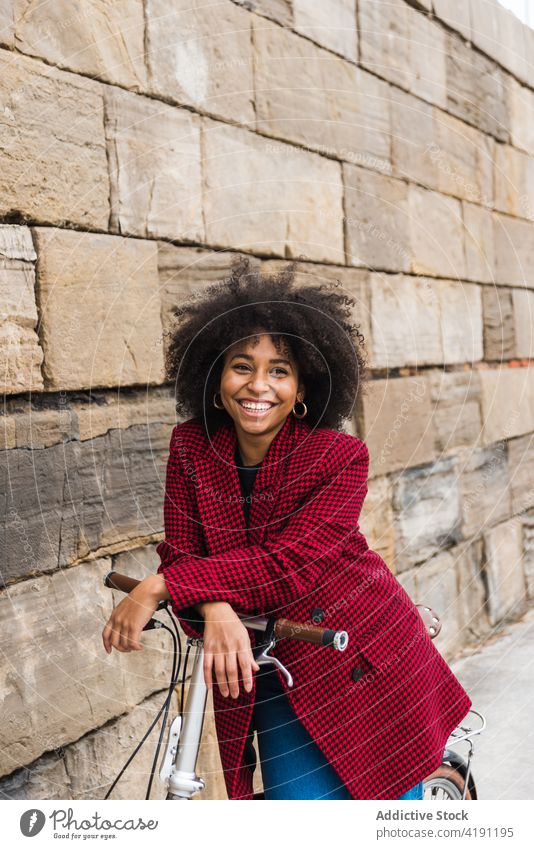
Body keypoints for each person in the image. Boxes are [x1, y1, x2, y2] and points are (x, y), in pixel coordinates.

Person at [102, 257, 472, 800]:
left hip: (359, 651)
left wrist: (165, 586)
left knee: (376, 806)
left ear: (301, 390)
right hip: (267, 660)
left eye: (279, 370)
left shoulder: (340, 456)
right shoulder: (190, 448)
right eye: (241, 365)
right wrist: (216, 608)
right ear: (214, 377)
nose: (258, 384)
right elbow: (181, 550)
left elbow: (288, 565)